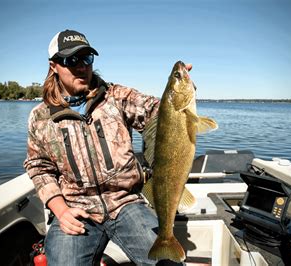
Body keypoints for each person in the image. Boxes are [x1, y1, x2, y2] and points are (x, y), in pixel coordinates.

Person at [24, 29, 180, 265]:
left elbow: (158, 114)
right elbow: (39, 168)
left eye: (86, 58)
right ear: (54, 66)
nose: (81, 67)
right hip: (76, 207)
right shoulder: (40, 117)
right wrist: (61, 210)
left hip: (125, 202)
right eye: (71, 60)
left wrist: (179, 93)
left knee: (165, 262)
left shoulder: (117, 97)